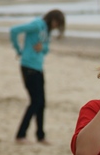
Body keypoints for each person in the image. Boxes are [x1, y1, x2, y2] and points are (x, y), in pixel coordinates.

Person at [10, 9, 65, 145]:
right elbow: (14, 30)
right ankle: (20, 135)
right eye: (58, 23)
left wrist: (43, 47)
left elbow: (46, 49)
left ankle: (40, 136)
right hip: (28, 67)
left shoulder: (46, 31)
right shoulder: (36, 25)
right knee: (35, 101)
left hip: (38, 68)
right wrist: (19, 50)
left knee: (42, 103)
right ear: (53, 19)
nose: (57, 27)